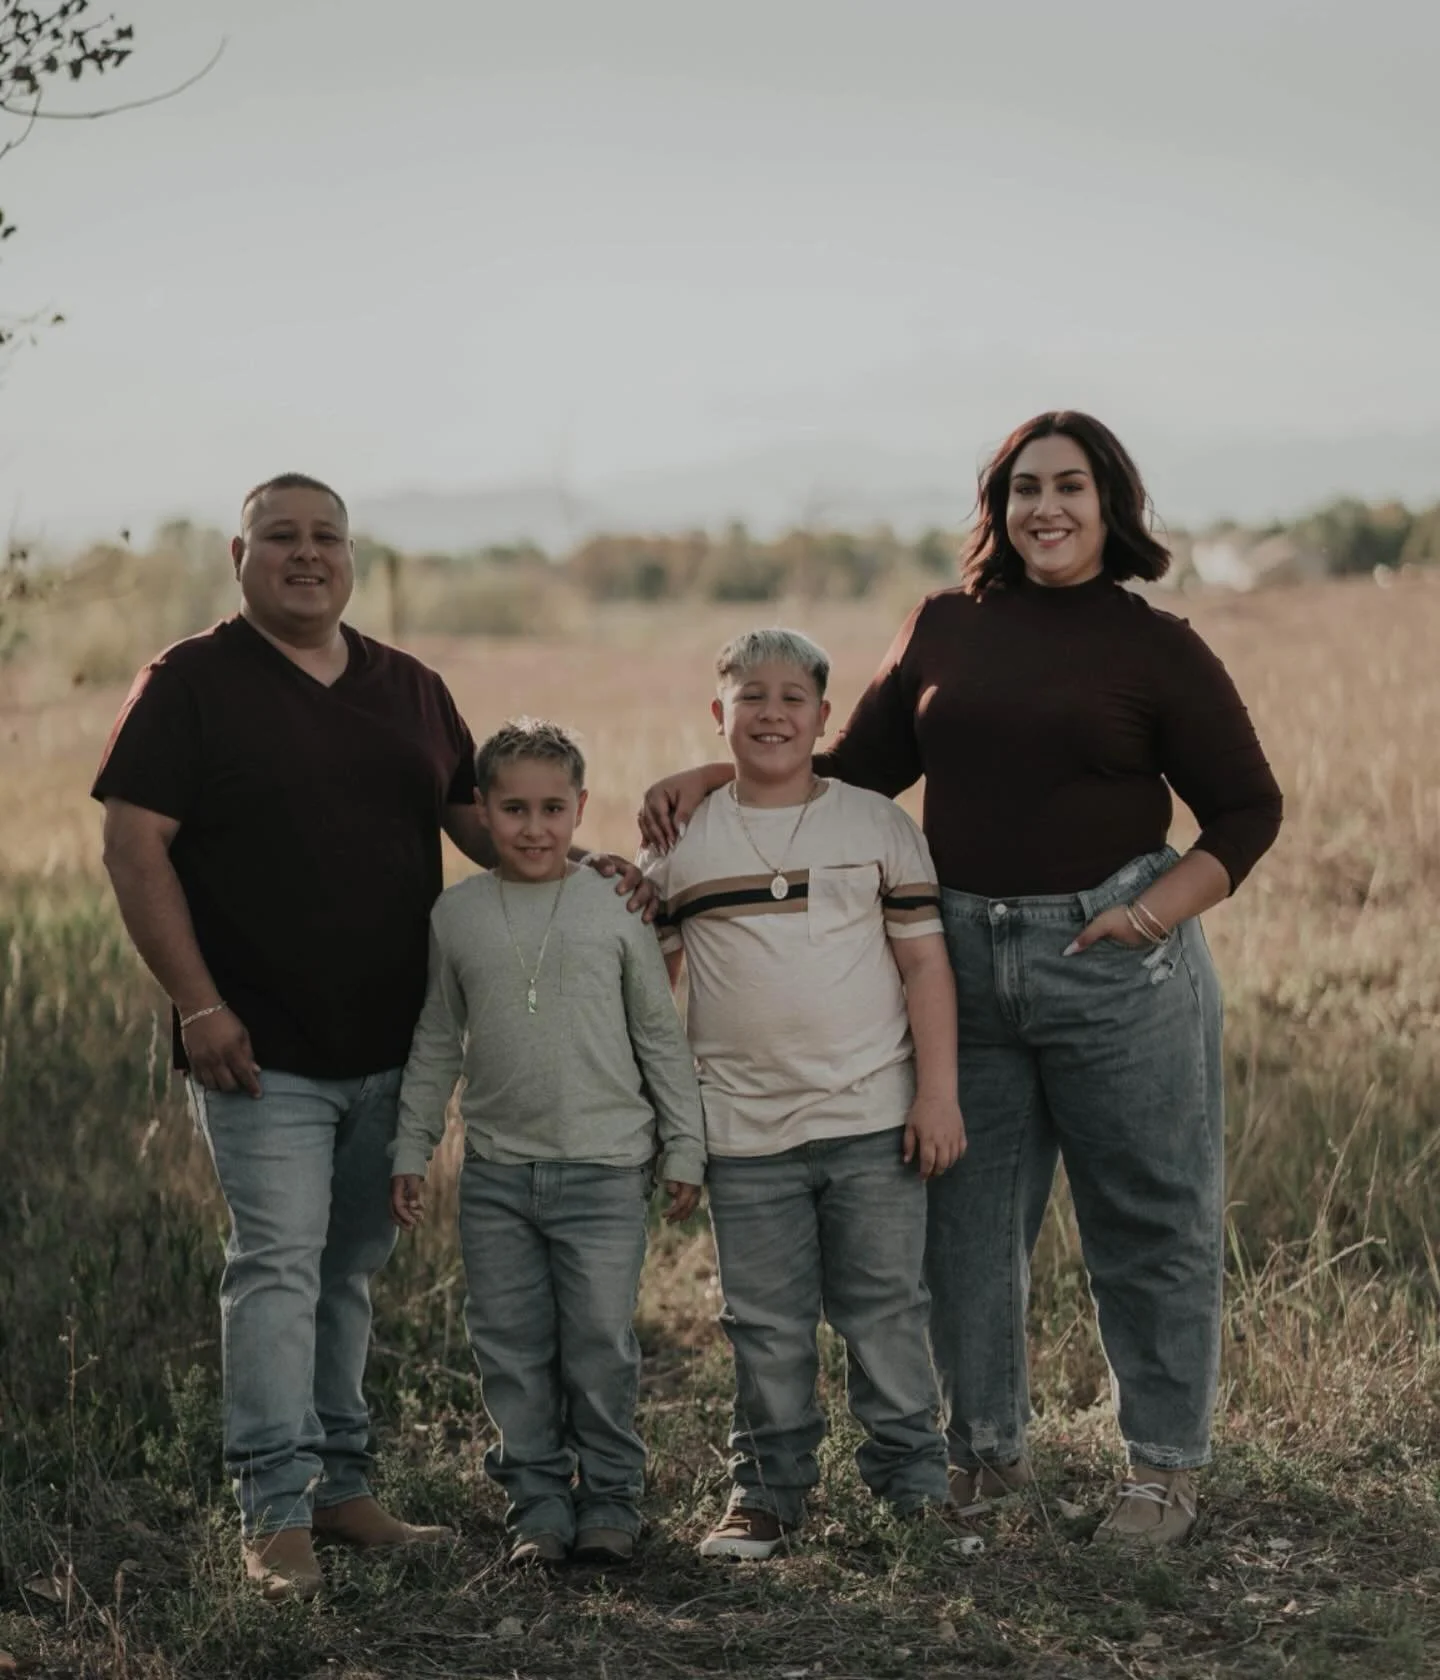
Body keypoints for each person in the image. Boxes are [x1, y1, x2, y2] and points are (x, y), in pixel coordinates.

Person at [641, 415, 1284, 1548]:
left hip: (1115, 969)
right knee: (967, 1229)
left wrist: (1147, 914)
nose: (1047, 508)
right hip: (960, 965)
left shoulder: (1158, 646)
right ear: (997, 507)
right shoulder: (944, 626)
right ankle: (982, 1458)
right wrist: (724, 767)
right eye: (1025, 487)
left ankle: (1162, 1471)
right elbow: (860, 770)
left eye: (1071, 487)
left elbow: (1247, 809)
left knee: (1148, 1220)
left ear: (1111, 504)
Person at [92, 474, 648, 1602]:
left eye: (327, 538)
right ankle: (274, 1510)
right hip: (257, 1047)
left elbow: (482, 831)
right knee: (279, 1268)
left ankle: (343, 1491)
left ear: (353, 557)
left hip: (389, 1047)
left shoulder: (408, 687)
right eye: (282, 538)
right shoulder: (189, 684)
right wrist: (198, 1006)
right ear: (237, 554)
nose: (307, 555)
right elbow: (132, 850)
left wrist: (591, 874)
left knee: (349, 1271)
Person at [642, 628, 968, 1561]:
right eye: (752, 696)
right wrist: (671, 1127)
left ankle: (914, 1488)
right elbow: (652, 991)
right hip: (742, 1135)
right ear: (720, 715)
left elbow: (925, 967)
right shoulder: (686, 842)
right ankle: (767, 1494)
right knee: (766, 1323)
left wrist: (936, 1095)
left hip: (871, 1120)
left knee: (886, 1311)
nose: (773, 713)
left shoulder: (873, 825)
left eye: (794, 698)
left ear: (825, 717)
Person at [390, 718, 705, 1571]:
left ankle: (609, 1500)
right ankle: (537, 1505)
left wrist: (685, 1147)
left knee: (600, 1344)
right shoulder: (457, 916)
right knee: (511, 1346)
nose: (535, 828)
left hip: (604, 1171)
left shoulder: (614, 904)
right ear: (484, 811)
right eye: (515, 809)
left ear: (579, 808)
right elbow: (435, 1041)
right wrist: (410, 1148)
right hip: (496, 1175)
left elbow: (658, 1034)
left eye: (553, 809)